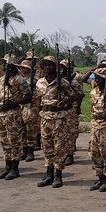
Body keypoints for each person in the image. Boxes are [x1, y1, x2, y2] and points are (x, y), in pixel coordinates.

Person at [35, 56, 77, 188]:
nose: (47, 67)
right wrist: (38, 115)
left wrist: (64, 102)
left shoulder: (62, 82)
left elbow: (73, 96)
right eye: (45, 65)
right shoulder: (40, 82)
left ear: (55, 67)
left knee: (59, 147)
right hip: (45, 117)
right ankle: (49, 174)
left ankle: (58, 175)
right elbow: (38, 99)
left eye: (50, 65)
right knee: (47, 146)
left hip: (58, 117)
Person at [0, 54, 31, 180]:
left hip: (13, 113)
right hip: (1, 113)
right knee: (4, 140)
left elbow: (28, 96)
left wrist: (14, 103)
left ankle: (15, 168)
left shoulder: (20, 80)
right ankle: (7, 166)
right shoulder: (1, 79)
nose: (4, 66)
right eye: (3, 64)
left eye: (6, 64)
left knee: (14, 141)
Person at [17, 59, 40, 162]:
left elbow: (36, 93)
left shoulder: (34, 80)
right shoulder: (18, 79)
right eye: (21, 67)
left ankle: (30, 151)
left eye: (25, 68)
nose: (22, 69)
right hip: (21, 106)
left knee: (30, 129)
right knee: (22, 130)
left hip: (31, 106)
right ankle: (24, 150)